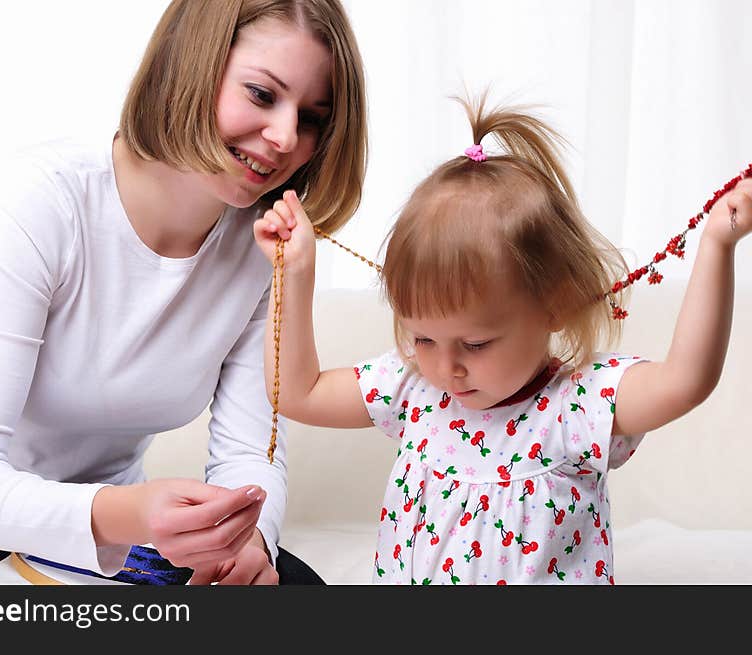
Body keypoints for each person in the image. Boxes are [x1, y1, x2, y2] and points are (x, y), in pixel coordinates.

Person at [0, 0, 367, 585]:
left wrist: (249, 540)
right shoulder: (35, 203)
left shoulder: (263, 244)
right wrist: (131, 513)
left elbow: (249, 451)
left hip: (103, 535)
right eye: (261, 94)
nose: (285, 137)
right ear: (191, 67)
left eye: (312, 118)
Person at [253, 93, 751, 584]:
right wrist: (293, 274)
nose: (445, 367)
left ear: (555, 305)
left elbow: (686, 381)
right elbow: (296, 392)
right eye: (423, 337)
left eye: (475, 344)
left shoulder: (575, 406)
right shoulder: (412, 390)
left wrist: (717, 242)